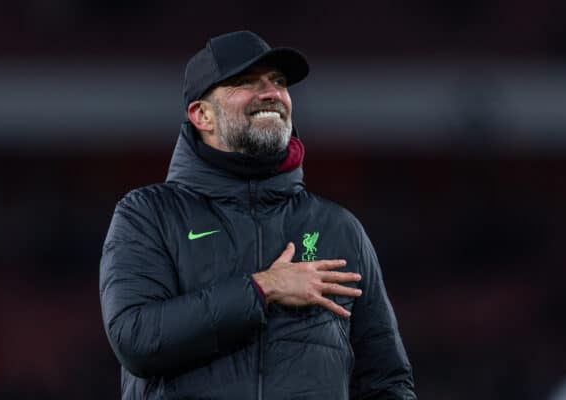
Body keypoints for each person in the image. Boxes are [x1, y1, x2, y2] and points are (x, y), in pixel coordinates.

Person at [99, 30, 416, 400]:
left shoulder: (336, 227)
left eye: (278, 82)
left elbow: (386, 381)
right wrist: (264, 288)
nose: (271, 93)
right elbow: (135, 337)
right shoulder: (148, 215)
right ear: (202, 115)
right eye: (246, 82)